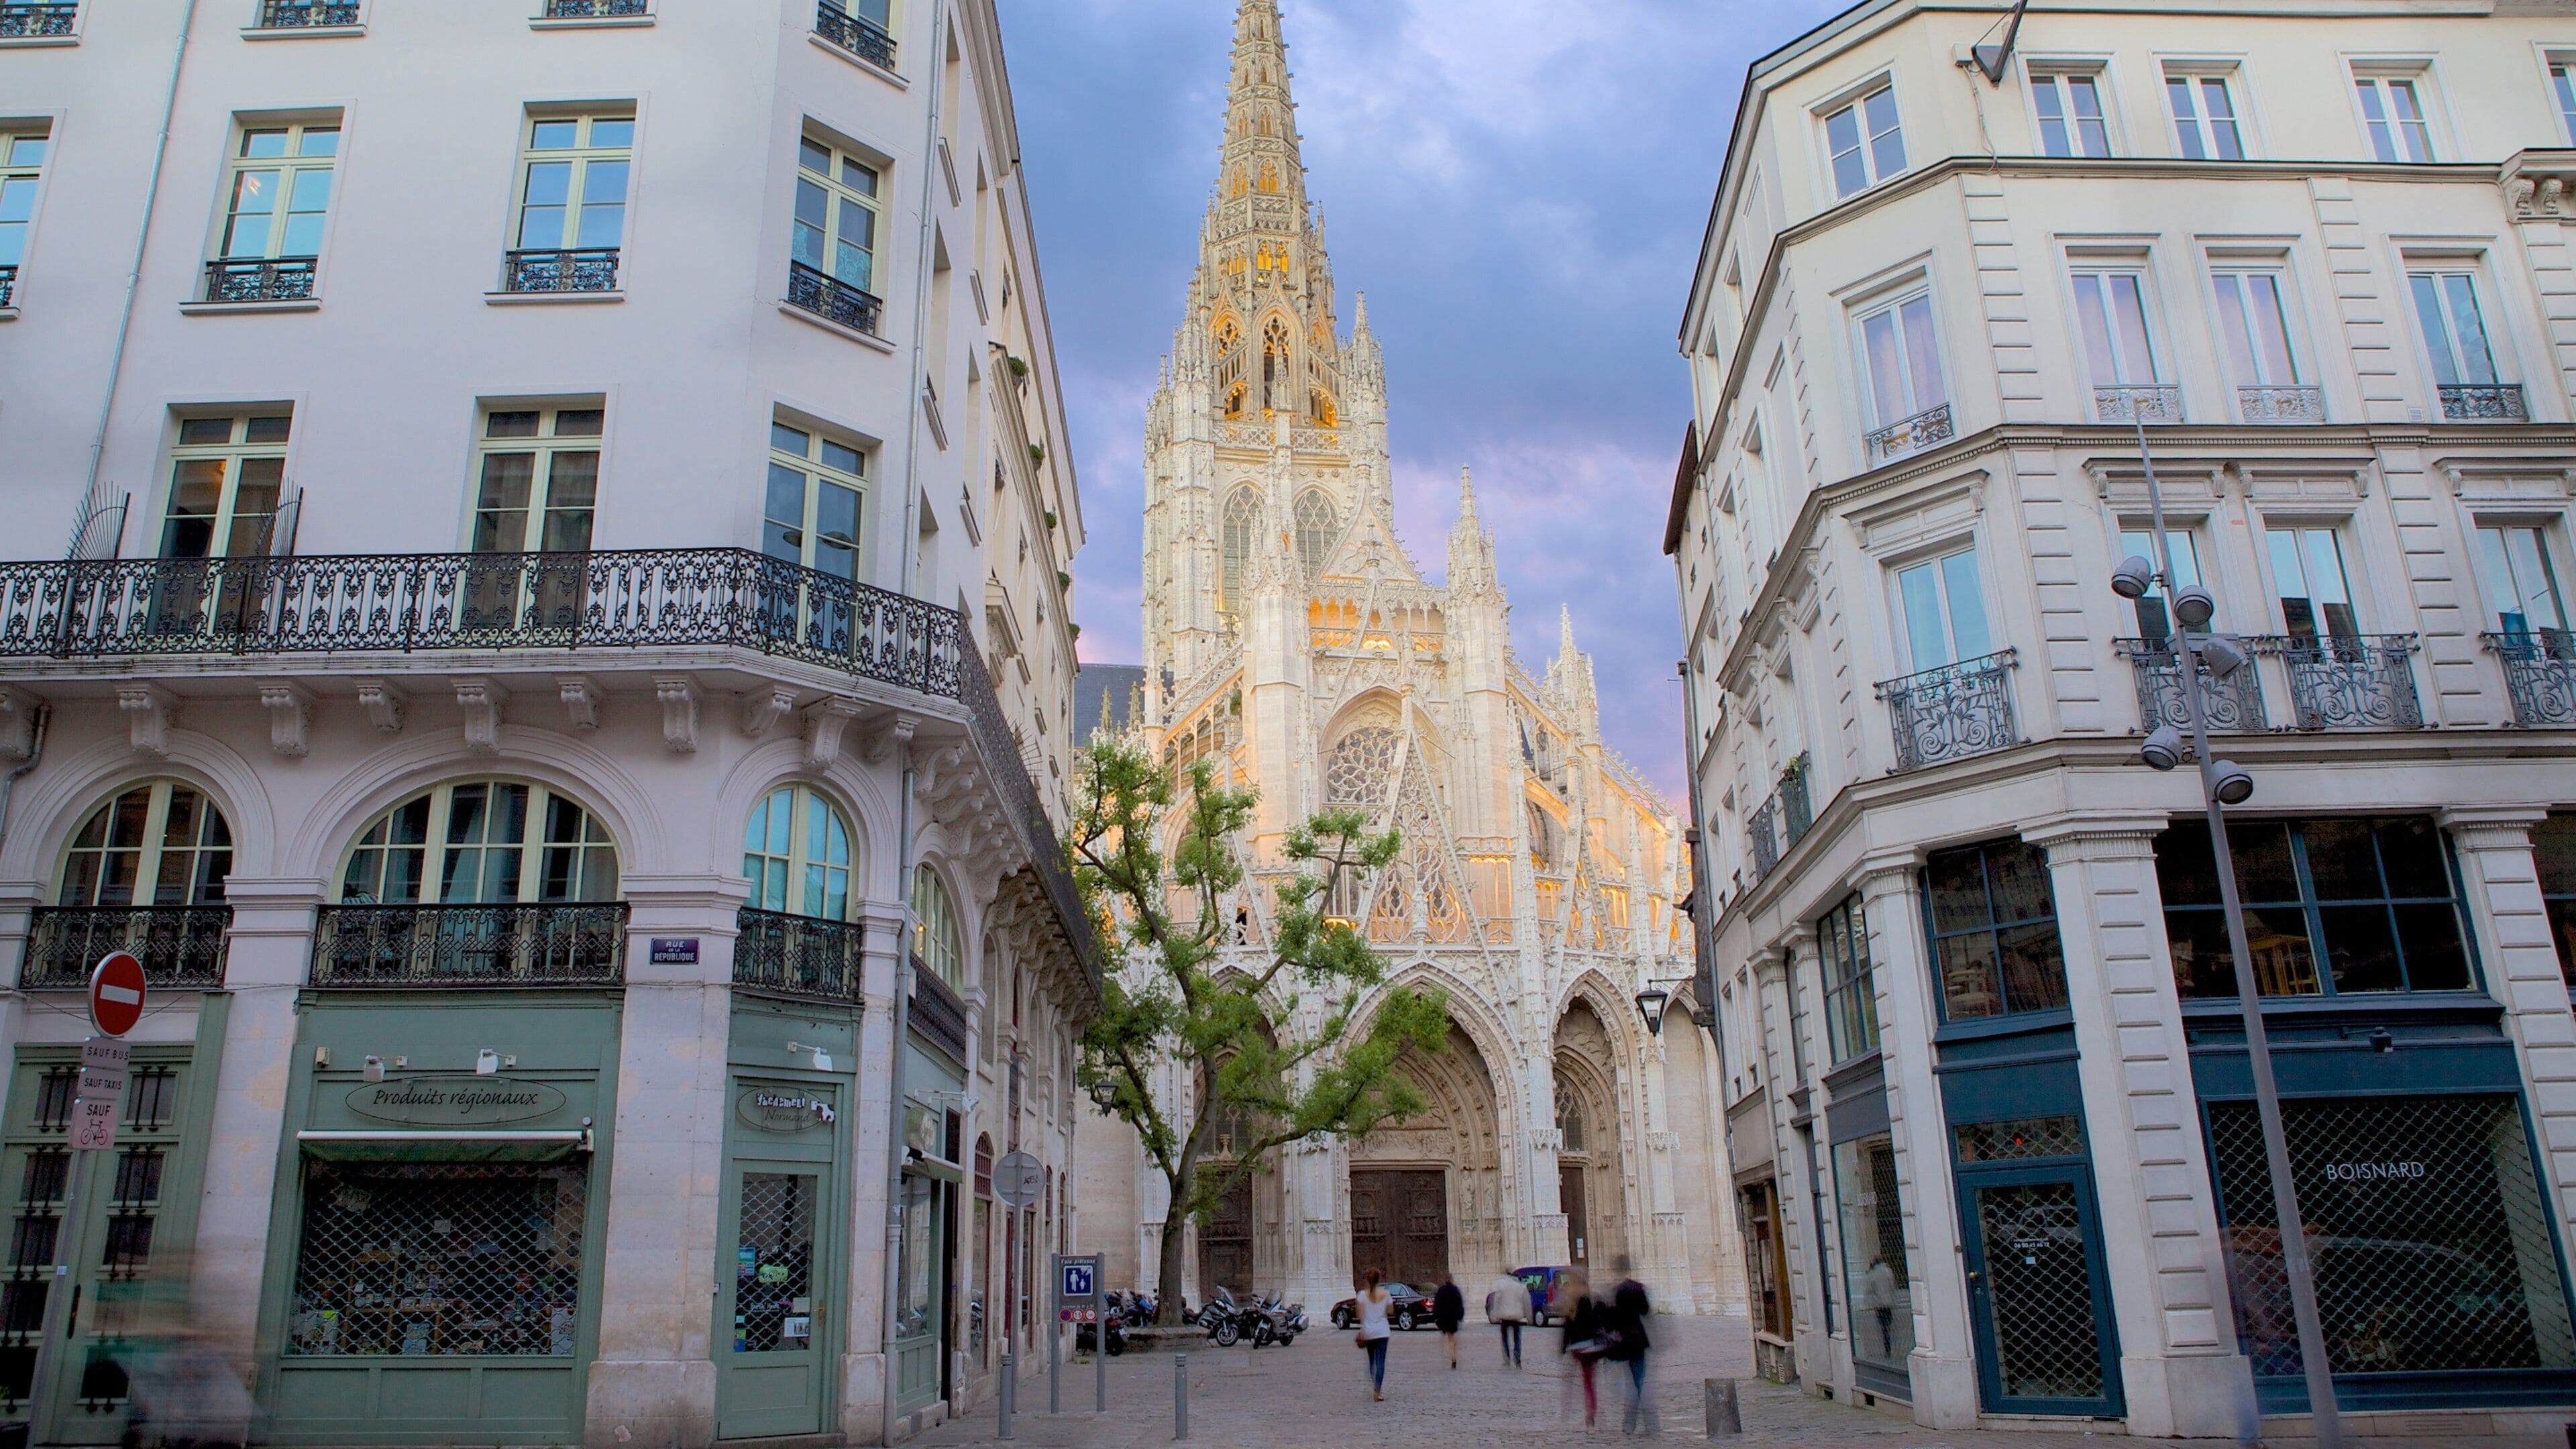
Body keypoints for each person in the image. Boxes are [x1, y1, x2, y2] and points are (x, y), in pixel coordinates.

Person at [1601, 1255, 1656, 1436]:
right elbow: (1646, 1311)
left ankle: (1629, 1423)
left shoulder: (1616, 1291)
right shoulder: (1637, 1288)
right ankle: (1649, 1423)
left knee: (1630, 1384)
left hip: (1624, 1341)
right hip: (1638, 1340)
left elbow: (1612, 1320)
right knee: (1639, 1381)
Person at [1556, 1269, 1601, 1428]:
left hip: (1575, 1348)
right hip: (1589, 1347)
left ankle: (1566, 1410)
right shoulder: (1589, 1300)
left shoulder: (1571, 1302)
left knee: (1569, 1381)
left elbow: (1567, 1328)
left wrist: (1563, 1348)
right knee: (1589, 1382)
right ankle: (1591, 1410)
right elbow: (1596, 1324)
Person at [1353, 1268, 1394, 1401]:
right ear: (1379, 1279)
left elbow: (1359, 1316)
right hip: (1382, 1331)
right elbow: (1390, 1311)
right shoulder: (1386, 1294)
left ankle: (1376, 1388)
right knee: (1381, 1362)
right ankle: (1378, 1391)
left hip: (1369, 1332)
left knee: (1372, 1362)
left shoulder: (1361, 1295)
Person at [1485, 1269, 1530, 1367]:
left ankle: (1507, 1359)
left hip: (1505, 1316)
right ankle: (1517, 1359)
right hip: (1516, 1316)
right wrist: (1529, 1316)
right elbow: (1526, 1301)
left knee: (1505, 1339)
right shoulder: (1519, 1286)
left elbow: (1496, 1301)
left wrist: (1495, 1315)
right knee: (1517, 1339)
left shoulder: (1501, 1285)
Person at [1432, 1275, 1466, 1368]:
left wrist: (1436, 1316)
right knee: (1452, 1337)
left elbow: (1437, 1304)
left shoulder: (1441, 1290)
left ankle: (1450, 1355)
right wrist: (1460, 1316)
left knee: (1447, 1337)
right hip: (1453, 1317)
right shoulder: (1455, 1290)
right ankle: (1453, 1356)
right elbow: (1460, 1304)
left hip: (1444, 1317)